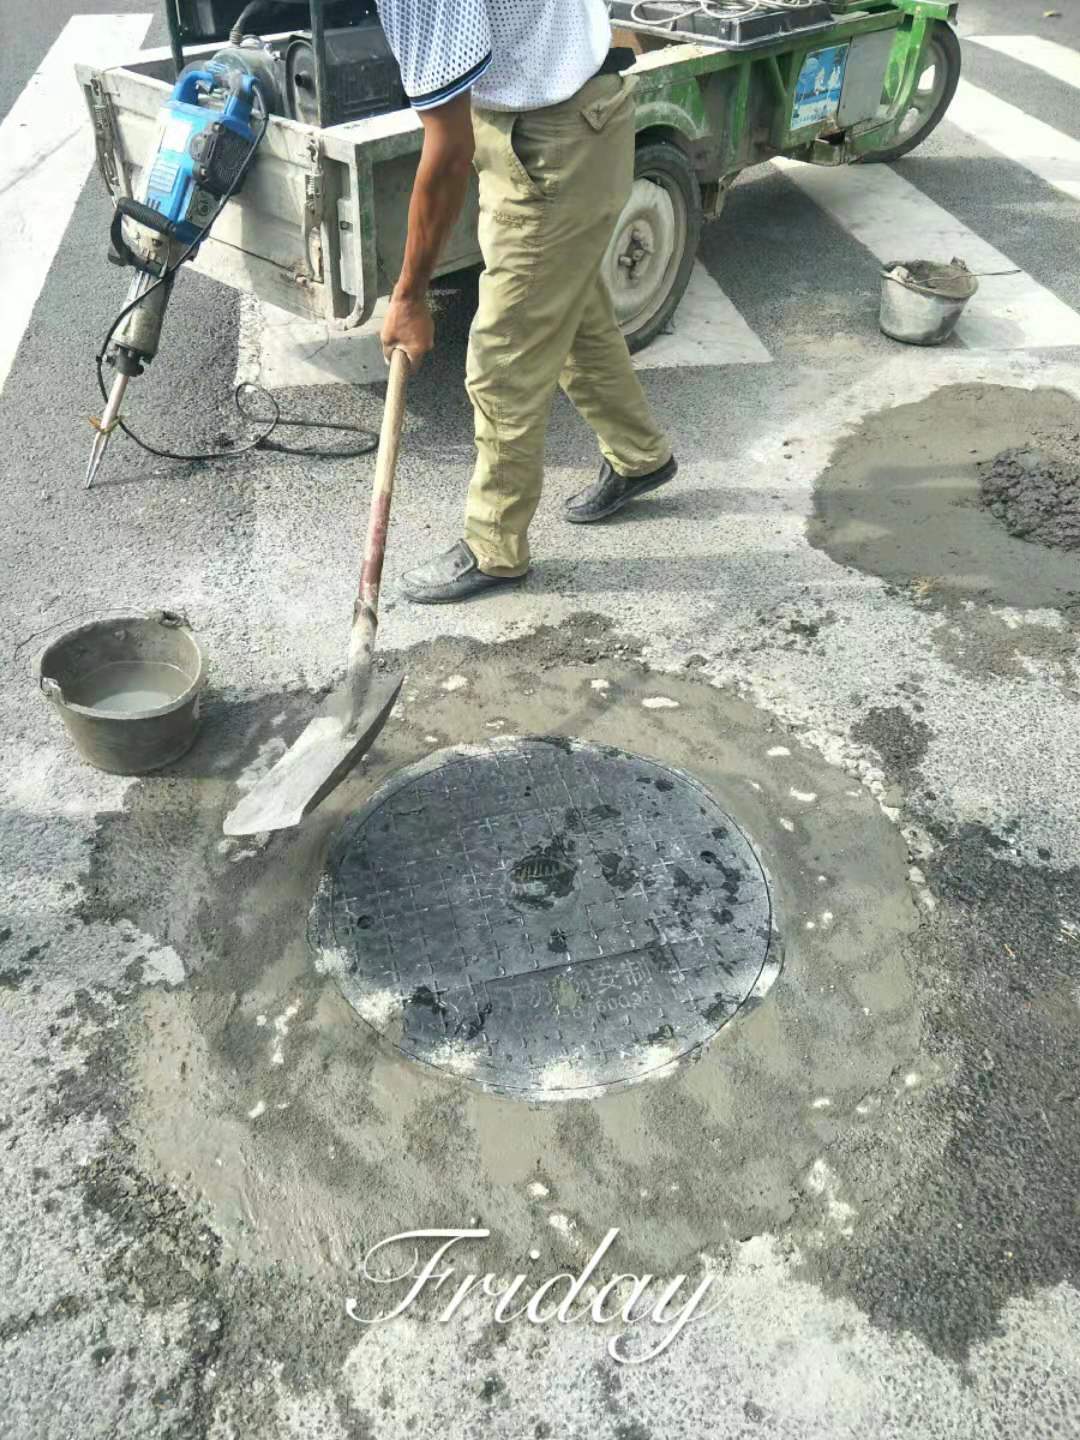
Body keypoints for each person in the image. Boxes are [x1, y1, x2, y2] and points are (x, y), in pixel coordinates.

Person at [375, 0, 678, 604]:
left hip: (552, 139)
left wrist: (410, 294)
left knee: (505, 355)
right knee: (575, 317)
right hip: (577, 113)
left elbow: (448, 147)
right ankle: (640, 455)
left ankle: (494, 545)